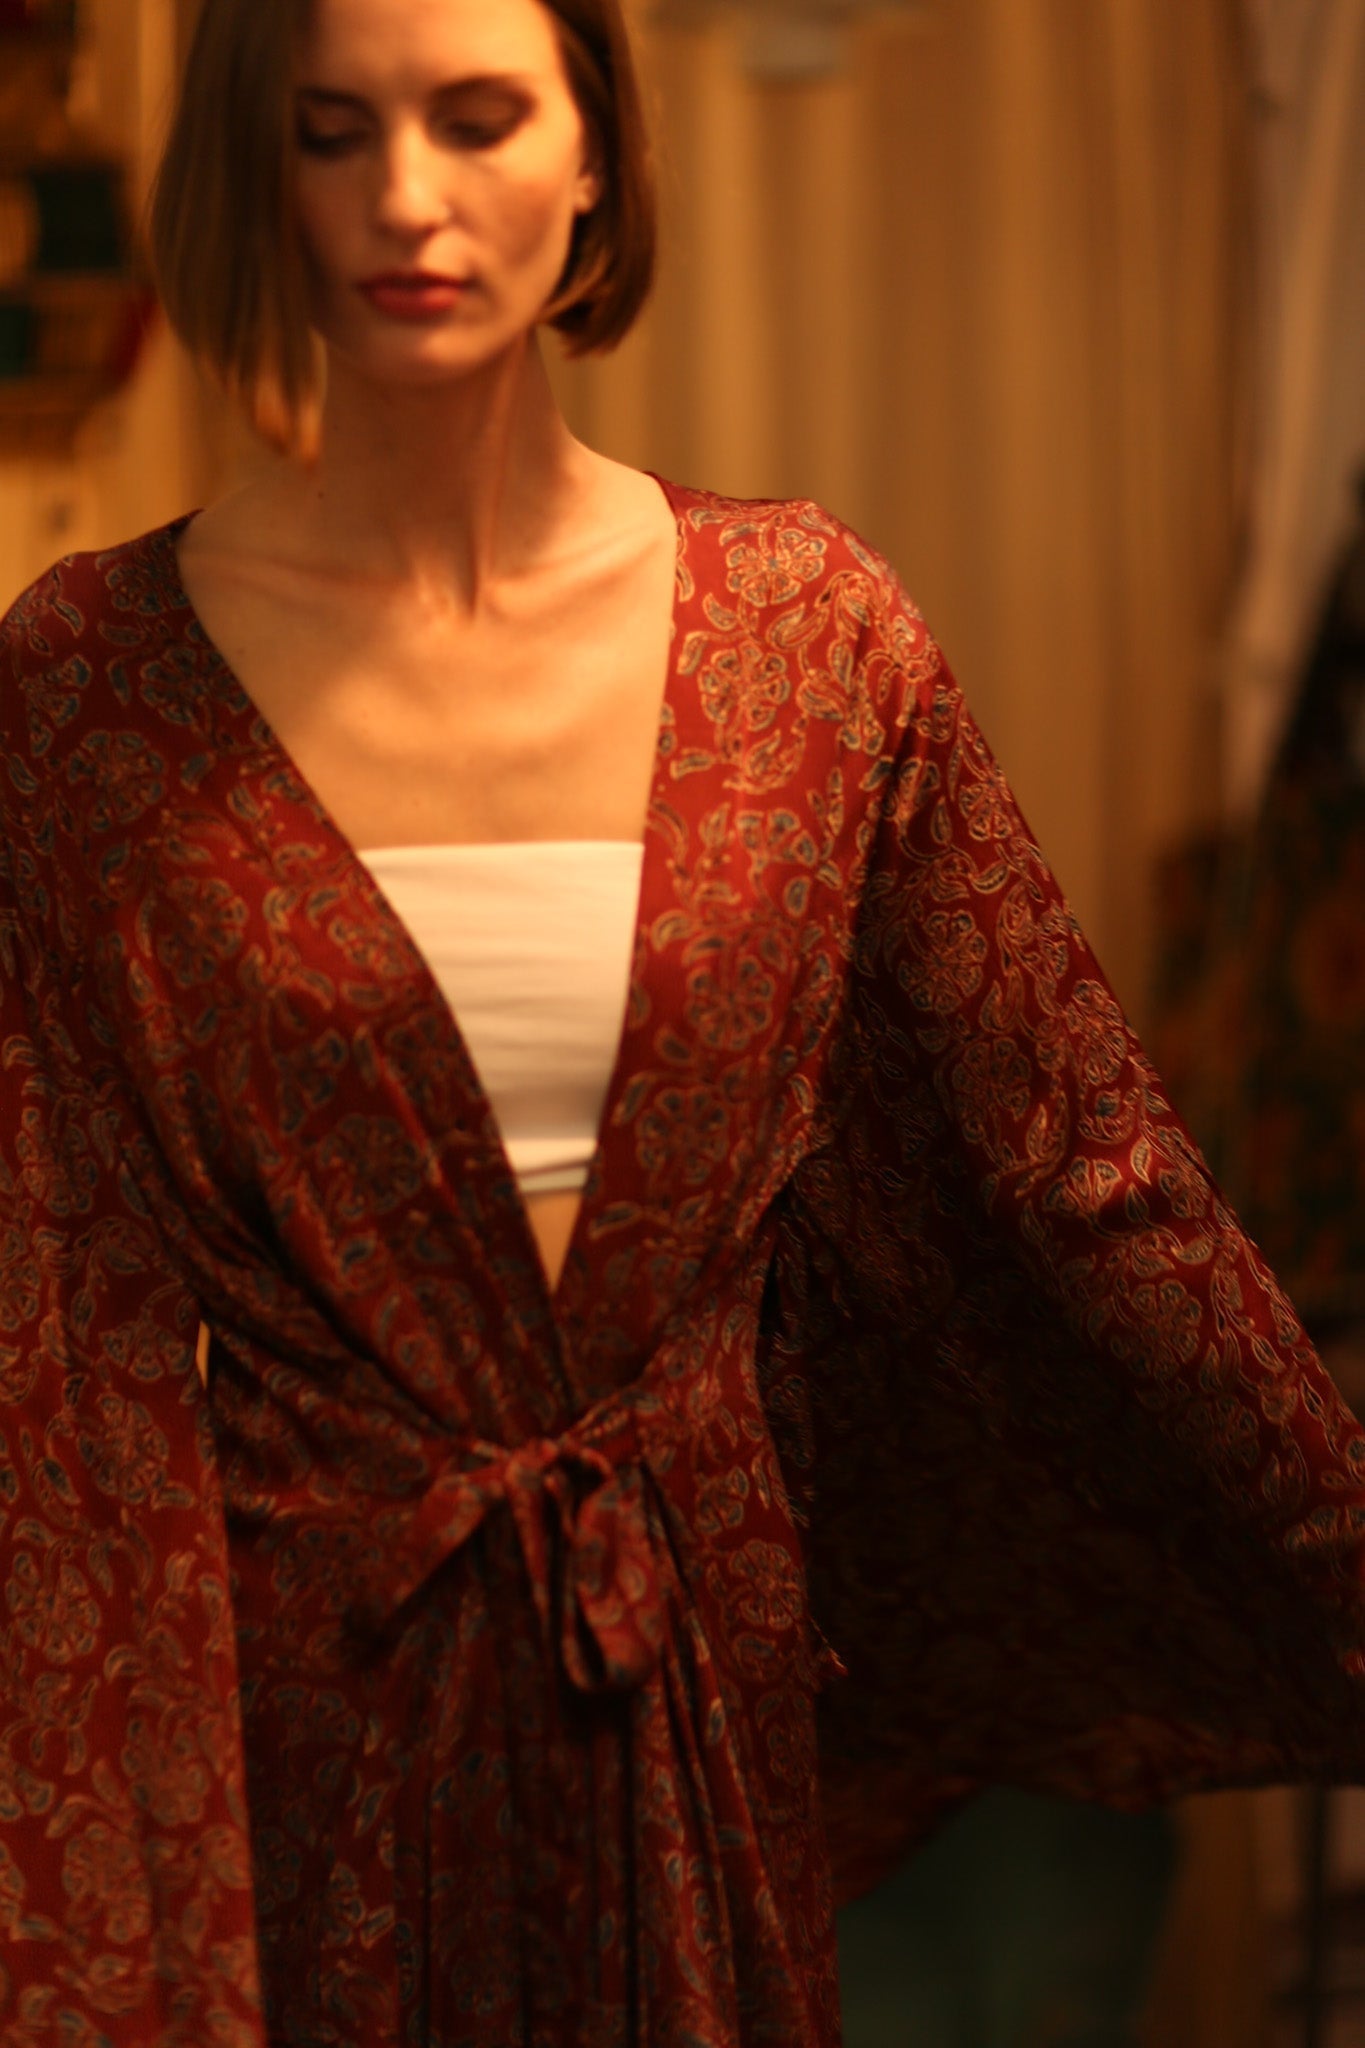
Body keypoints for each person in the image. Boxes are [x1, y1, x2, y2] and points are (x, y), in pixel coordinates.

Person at [1, 2, 1364, 2043]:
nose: (404, 197)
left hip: (691, 1672)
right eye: (328, 130)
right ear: (250, 176)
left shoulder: (809, 639)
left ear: (592, 154)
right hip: (313, 1715)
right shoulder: (92, 682)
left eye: (477, 118)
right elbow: (49, 1318)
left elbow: (1073, 1171)